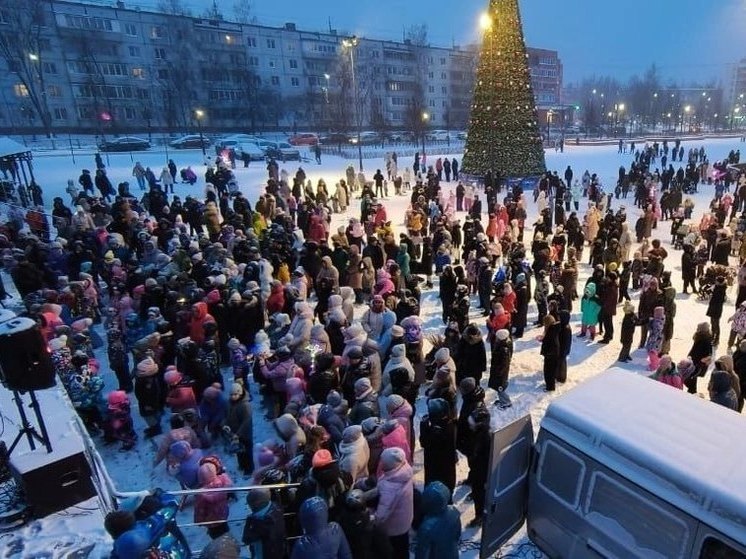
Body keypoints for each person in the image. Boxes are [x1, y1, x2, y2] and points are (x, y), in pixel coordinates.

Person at [414, 481, 462, 559]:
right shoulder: (454, 511)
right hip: (452, 553)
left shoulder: (426, 527)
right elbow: (457, 535)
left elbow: (422, 552)